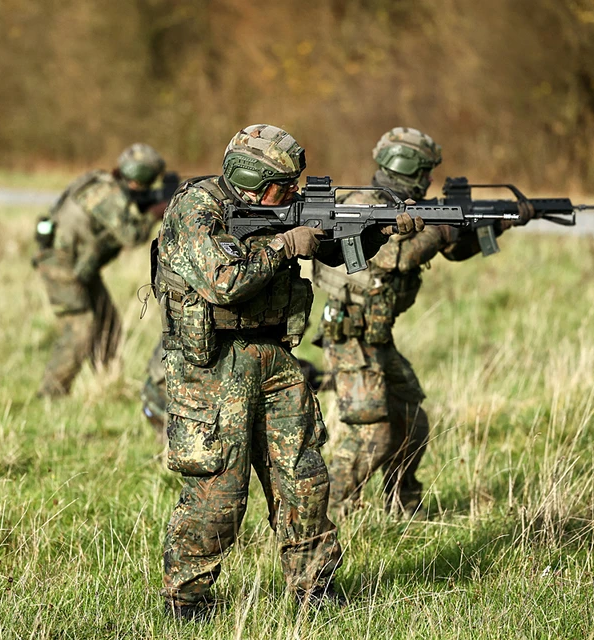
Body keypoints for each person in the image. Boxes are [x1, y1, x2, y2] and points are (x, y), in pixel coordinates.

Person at [154, 123, 415, 619]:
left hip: (274, 357)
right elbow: (223, 282)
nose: (292, 194)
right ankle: (185, 600)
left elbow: (332, 247)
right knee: (219, 491)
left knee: (304, 478)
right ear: (250, 179)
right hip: (212, 368)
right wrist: (286, 244)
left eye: (295, 185)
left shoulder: (279, 208)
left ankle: (315, 588)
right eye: (282, 188)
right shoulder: (197, 208)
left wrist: (379, 229)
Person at [314, 126, 533, 516]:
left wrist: (498, 222)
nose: (432, 179)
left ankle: (402, 506)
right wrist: (442, 228)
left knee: (412, 421)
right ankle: (325, 514)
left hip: (377, 337)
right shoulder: (365, 202)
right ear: (407, 167)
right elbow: (391, 257)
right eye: (427, 171)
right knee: (373, 434)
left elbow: (450, 248)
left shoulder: (410, 206)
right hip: (348, 335)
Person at [34, 143, 168, 397]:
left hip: (79, 265)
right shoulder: (106, 193)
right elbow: (131, 235)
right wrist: (154, 213)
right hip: (61, 263)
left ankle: (108, 384)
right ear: (141, 179)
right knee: (81, 328)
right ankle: (51, 393)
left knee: (107, 322)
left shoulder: (103, 184)